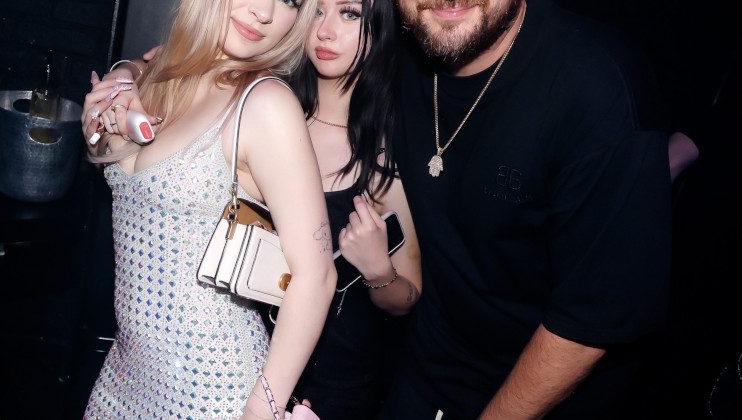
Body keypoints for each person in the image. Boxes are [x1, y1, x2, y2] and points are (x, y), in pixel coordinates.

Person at [380, 0, 672, 418]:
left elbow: (588, 323)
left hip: (533, 397)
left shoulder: (597, 84)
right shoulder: (400, 51)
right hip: (424, 371)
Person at [78, 0, 337, 418]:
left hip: (214, 391)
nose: (264, 12)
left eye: (290, 0)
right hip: (124, 377)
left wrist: (262, 409)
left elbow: (318, 275)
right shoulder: (159, 76)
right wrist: (121, 78)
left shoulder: (265, 103)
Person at [288, 0, 421, 417]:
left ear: (379, 28)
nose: (325, 31)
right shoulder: (270, 110)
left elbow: (408, 296)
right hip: (242, 355)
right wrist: (128, 72)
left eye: (349, 14)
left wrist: (379, 271)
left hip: (333, 388)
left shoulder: (385, 154)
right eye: (316, 11)